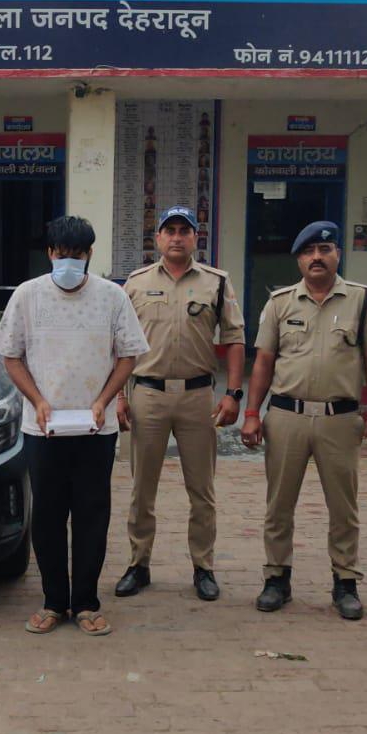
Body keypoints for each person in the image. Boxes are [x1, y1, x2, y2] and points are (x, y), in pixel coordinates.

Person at [0, 216, 149, 636]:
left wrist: (104, 400)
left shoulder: (112, 297)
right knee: (46, 514)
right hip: (43, 429)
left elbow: (128, 355)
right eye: (62, 255)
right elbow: (10, 356)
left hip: (95, 430)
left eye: (77, 255)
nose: (68, 263)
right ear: (49, 254)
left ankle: (86, 603)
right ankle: (53, 601)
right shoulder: (27, 296)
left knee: (92, 514)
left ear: (89, 255)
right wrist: (38, 401)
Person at [240, 221, 367, 620]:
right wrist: (252, 414)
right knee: (278, 504)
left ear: (338, 253)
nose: (317, 257)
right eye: (308, 252)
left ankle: (345, 582)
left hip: (339, 419)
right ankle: (276, 578)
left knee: (343, 507)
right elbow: (264, 362)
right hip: (286, 417)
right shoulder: (280, 303)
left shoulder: (360, 300)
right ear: (299, 260)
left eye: (324, 249)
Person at [116, 206, 246, 600]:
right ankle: (138, 564)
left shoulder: (216, 283)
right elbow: (119, 343)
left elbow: (234, 339)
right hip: (147, 395)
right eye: (169, 230)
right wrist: (120, 396)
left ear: (195, 238)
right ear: (157, 238)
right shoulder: (136, 283)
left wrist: (233, 394)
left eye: (184, 231)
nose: (176, 237)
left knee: (201, 489)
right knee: (142, 488)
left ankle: (203, 567)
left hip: (197, 397)